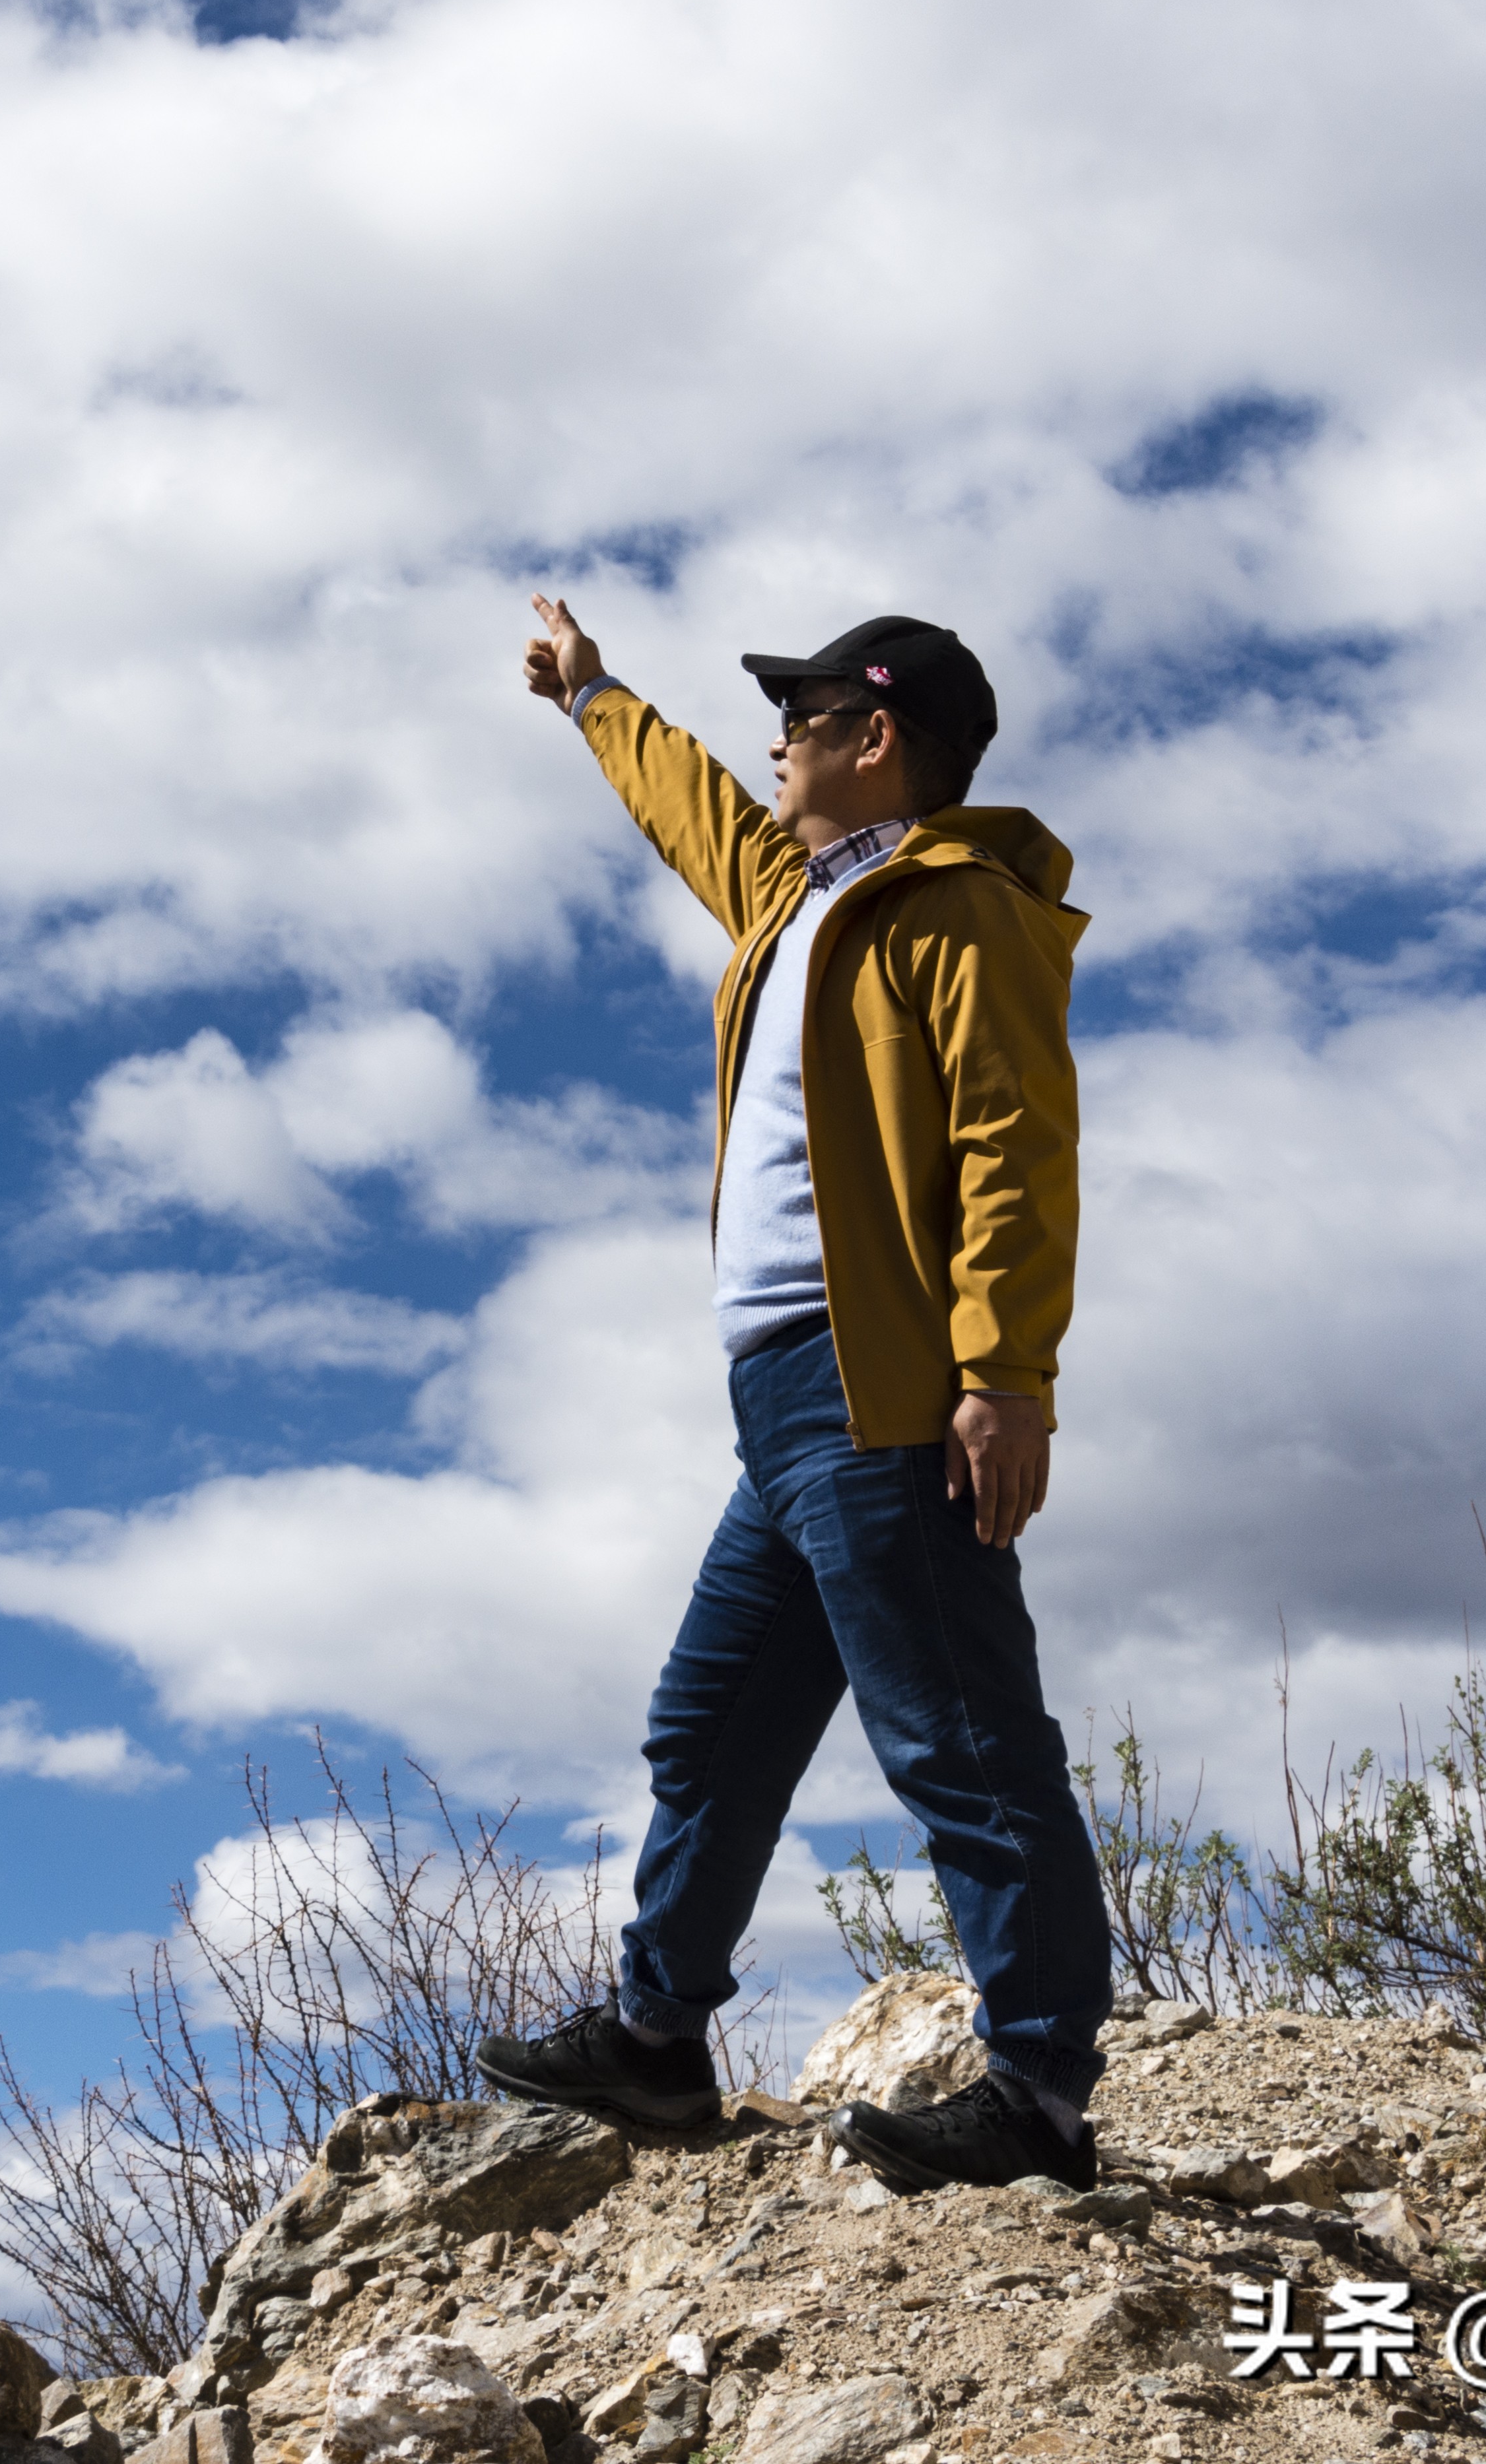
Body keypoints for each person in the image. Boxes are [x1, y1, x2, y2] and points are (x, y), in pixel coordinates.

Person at [474, 595, 1112, 2193]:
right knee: (710, 1725)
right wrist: (594, 695)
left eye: (803, 713)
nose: (773, 739)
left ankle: (1037, 2091)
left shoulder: (956, 913)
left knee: (961, 1738)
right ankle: (658, 2040)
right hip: (780, 1406)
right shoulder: (796, 896)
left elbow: (1012, 1151)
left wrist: (1004, 1375)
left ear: (873, 735)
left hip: (880, 1385)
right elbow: (693, 798)